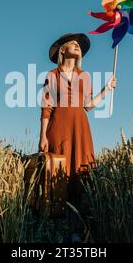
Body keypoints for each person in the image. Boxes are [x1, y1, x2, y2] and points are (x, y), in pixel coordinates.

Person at [38, 33, 116, 242]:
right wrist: (43, 136)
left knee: (80, 177)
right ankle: (60, 231)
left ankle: (76, 231)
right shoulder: (52, 75)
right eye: (72, 43)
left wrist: (106, 90)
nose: (77, 46)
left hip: (80, 129)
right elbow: (47, 107)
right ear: (62, 50)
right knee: (58, 178)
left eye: (79, 45)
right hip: (58, 128)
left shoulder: (85, 76)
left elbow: (88, 105)